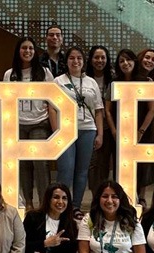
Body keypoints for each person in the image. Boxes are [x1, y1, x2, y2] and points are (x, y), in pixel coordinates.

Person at [3, 37, 55, 209]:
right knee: (24, 165)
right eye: (24, 48)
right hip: (18, 124)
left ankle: (44, 204)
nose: (27, 51)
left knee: (40, 163)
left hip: (39, 122)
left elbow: (54, 97)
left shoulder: (44, 72)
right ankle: (29, 204)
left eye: (31, 48)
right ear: (18, 51)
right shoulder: (9, 74)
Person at [54, 46, 104, 210]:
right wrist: (57, 131)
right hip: (66, 130)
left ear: (84, 61)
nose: (75, 61)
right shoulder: (58, 81)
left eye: (79, 58)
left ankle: (75, 207)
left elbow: (98, 111)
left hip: (88, 130)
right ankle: (62, 206)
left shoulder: (91, 82)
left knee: (82, 171)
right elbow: (52, 108)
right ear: (66, 61)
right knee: (65, 170)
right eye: (72, 58)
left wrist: (100, 134)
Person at [126, 49, 154, 205]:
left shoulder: (149, 81)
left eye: (153, 59)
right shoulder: (129, 78)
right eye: (147, 57)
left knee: (144, 164)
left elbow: (152, 110)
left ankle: (143, 197)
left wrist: (140, 131)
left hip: (144, 128)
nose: (149, 61)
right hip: (126, 125)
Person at [86, 46, 115, 193]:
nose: (100, 61)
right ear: (90, 60)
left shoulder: (113, 78)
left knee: (104, 162)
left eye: (103, 57)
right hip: (90, 125)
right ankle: (94, 193)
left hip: (109, 125)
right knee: (93, 163)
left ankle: (103, 194)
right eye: (96, 57)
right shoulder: (83, 79)